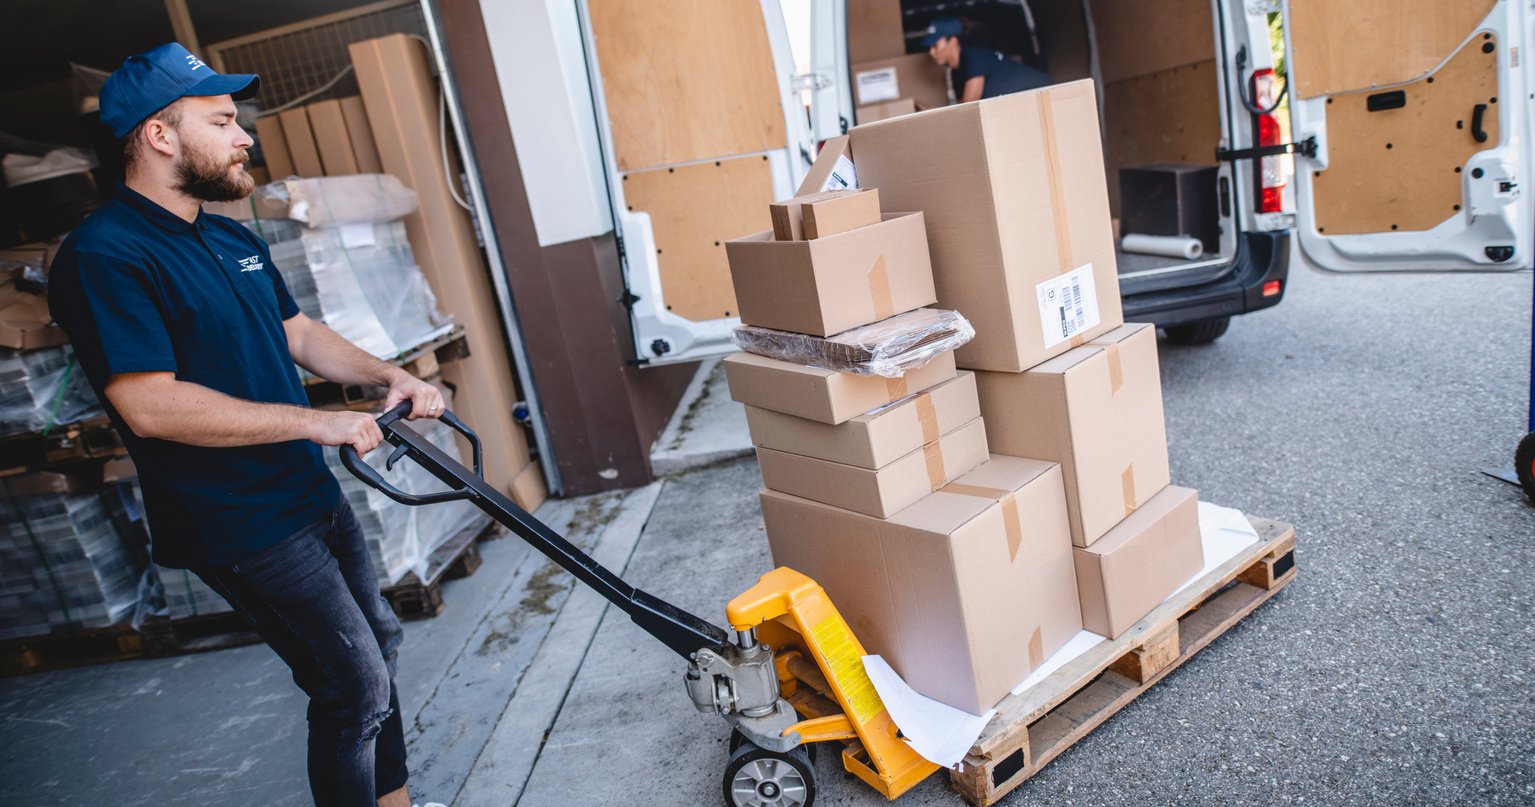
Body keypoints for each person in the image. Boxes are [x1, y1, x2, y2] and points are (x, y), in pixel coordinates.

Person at [48, 43, 445, 807]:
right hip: (235, 516)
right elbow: (148, 403)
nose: (244, 137)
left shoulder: (232, 237)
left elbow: (298, 335)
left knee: (379, 649)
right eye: (223, 121)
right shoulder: (105, 256)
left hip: (305, 489)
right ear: (160, 135)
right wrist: (314, 421)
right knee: (349, 679)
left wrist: (388, 373)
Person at [922, 17, 1054, 103]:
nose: (931, 52)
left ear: (953, 41)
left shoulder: (973, 57)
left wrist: (934, 112)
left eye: (935, 46)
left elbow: (968, 106)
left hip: (1046, 95)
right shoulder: (957, 71)